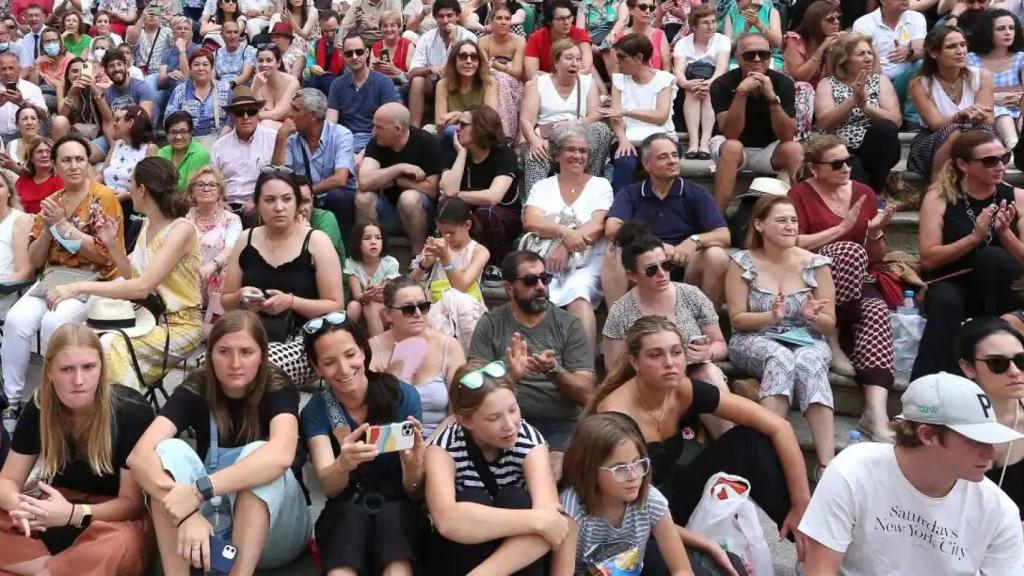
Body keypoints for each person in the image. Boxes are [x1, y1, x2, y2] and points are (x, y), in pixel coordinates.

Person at [589, 315, 811, 557]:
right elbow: (626, 511)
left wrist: (801, 504)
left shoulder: (681, 389)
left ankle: (809, 544)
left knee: (748, 442)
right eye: (656, 355)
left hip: (675, 493)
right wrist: (706, 545)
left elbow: (779, 427)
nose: (670, 363)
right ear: (634, 361)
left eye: (676, 352)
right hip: (638, 520)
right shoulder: (614, 414)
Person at [126, 310, 312, 575]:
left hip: (278, 532)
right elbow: (139, 456)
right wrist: (187, 513)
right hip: (212, 526)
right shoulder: (198, 387)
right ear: (210, 355)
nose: (235, 363)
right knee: (167, 452)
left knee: (260, 454)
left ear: (262, 356)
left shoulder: (277, 387)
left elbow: (281, 455)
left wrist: (197, 492)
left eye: (246, 352)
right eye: (224, 351)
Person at [799, 372, 1024, 575]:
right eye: (976, 440)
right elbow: (820, 570)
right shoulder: (853, 470)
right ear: (927, 435)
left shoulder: (999, 510)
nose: (992, 453)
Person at [0, 325, 155, 575]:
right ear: (49, 371)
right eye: (67, 369)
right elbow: (7, 479)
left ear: (101, 369)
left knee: (121, 545)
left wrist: (73, 514)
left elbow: (132, 504)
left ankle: (40, 568)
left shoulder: (130, 412)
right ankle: (58, 569)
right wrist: (20, 506)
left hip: (110, 518)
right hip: (53, 506)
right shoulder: (40, 407)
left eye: (89, 367)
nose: (79, 380)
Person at [46, 157, 203, 391]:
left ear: (142, 189)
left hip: (180, 325)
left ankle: (123, 414)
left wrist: (77, 287)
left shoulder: (181, 229)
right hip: (147, 318)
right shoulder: (147, 225)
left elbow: (141, 288)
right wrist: (111, 244)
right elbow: (133, 277)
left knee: (111, 346)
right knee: (87, 343)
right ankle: (100, 406)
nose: (127, 188)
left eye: (131, 182)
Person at [1, 134, 123, 433]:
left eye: (79, 159)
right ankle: (13, 401)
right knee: (16, 320)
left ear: (88, 163)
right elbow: (35, 258)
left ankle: (52, 399)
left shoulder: (103, 197)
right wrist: (48, 229)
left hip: (93, 279)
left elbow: (105, 256)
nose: (73, 165)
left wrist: (64, 228)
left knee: (53, 323)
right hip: (54, 275)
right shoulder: (51, 202)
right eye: (66, 160)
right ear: (55, 166)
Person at [298, 311, 425, 575]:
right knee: (348, 520)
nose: (344, 369)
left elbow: (413, 490)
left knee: (394, 523)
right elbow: (331, 488)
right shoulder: (317, 410)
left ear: (364, 352)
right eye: (329, 362)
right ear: (316, 367)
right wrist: (343, 464)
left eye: (350, 354)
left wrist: (413, 466)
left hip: (398, 506)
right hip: (346, 508)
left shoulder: (402, 395)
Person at [789, 135, 897, 441]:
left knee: (876, 311)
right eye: (836, 164)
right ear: (814, 168)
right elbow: (791, 244)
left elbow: (876, 257)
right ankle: (832, 339)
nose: (845, 168)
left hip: (856, 282)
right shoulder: (799, 194)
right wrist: (840, 229)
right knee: (847, 251)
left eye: (848, 161)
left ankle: (875, 413)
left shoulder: (862, 192)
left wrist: (874, 233)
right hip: (812, 282)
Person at [725, 195, 838, 475]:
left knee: (808, 362)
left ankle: (827, 465)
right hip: (754, 337)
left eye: (793, 220)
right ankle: (765, 456)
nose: (790, 226)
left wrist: (814, 317)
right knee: (780, 358)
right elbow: (737, 319)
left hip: (805, 337)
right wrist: (770, 316)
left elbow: (829, 324)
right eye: (781, 220)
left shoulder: (816, 264)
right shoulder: (742, 263)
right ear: (760, 225)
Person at [424, 358, 569, 576]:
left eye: (512, 410)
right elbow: (447, 520)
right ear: (465, 421)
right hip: (461, 554)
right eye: (494, 418)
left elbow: (553, 528)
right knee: (472, 498)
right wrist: (536, 520)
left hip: (511, 561)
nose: (509, 426)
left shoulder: (528, 440)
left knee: (515, 498)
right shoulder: (444, 447)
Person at [914, 131, 1024, 379]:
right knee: (944, 301)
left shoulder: (1018, 197)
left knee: (993, 257)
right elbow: (929, 258)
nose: (1000, 166)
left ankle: (992, 354)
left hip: (1003, 286)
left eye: (1004, 158)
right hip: (953, 281)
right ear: (963, 165)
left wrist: (1006, 234)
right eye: (989, 161)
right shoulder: (939, 197)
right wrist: (974, 238)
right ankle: (923, 395)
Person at [220, 172, 344, 386]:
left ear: (297, 203)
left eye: (286, 199)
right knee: (212, 363)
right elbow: (226, 301)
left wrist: (290, 302)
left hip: (305, 337)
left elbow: (335, 305)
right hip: (252, 331)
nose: (279, 207)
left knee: (257, 367)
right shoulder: (245, 239)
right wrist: (241, 296)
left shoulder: (316, 241)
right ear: (257, 204)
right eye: (270, 200)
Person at [602, 233, 731, 433]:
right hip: (647, 384)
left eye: (667, 265)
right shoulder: (621, 311)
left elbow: (720, 344)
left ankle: (729, 442)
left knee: (708, 372)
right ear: (632, 276)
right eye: (652, 270)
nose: (662, 274)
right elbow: (613, 371)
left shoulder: (691, 295)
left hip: (694, 377)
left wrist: (708, 353)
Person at [469, 250, 596, 454]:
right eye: (530, 281)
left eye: (545, 279)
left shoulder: (569, 325)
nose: (540, 287)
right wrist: (509, 375)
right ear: (510, 289)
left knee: (555, 466)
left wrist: (554, 370)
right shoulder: (490, 324)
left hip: (560, 425)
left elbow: (587, 394)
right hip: (505, 421)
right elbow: (471, 386)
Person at [552, 412, 698, 576]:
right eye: (620, 469)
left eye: (638, 463)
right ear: (590, 470)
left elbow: (682, 569)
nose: (634, 476)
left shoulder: (651, 500)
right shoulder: (573, 507)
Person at [603, 134, 731, 309]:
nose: (672, 161)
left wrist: (693, 241)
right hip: (644, 265)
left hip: (685, 264)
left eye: (675, 155)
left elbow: (723, 235)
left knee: (716, 255)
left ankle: (707, 327)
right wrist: (656, 246)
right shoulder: (630, 193)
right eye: (663, 157)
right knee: (614, 251)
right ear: (647, 164)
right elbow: (612, 229)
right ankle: (617, 326)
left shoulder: (696, 193)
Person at [522, 123, 611, 348]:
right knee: (535, 292)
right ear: (557, 154)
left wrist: (565, 246)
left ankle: (585, 371)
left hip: (588, 260)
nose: (578, 156)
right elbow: (531, 221)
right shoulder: (543, 186)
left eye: (583, 151)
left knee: (579, 296)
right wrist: (565, 233)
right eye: (571, 150)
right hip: (544, 258)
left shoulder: (600, 185)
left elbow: (598, 225)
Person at [710, 33, 802, 212]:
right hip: (731, 148)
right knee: (732, 146)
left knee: (795, 149)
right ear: (738, 57)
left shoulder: (783, 83)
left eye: (764, 54)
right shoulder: (721, 84)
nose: (757, 59)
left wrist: (771, 97)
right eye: (750, 55)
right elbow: (731, 133)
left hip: (769, 149)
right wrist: (741, 93)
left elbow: (787, 136)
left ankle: (803, 213)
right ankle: (717, 217)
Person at [369, 276, 466, 436]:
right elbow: (370, 411)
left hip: (441, 440)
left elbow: (458, 411)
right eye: (408, 309)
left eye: (424, 306)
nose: (418, 313)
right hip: (389, 442)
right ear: (388, 314)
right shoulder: (372, 349)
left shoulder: (449, 347)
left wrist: (429, 446)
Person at [519, 40, 613, 198]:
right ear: (556, 61)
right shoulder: (539, 83)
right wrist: (534, 141)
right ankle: (533, 206)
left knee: (602, 130)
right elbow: (526, 120)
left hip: (578, 136)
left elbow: (595, 114)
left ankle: (588, 185)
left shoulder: (587, 82)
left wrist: (572, 125)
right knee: (535, 152)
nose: (574, 63)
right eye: (569, 58)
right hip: (548, 139)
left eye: (578, 59)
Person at [815, 33, 903, 195]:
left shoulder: (880, 81)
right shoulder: (827, 84)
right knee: (851, 165)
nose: (868, 58)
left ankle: (877, 190)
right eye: (861, 54)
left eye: (870, 53)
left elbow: (895, 121)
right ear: (844, 60)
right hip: (842, 148)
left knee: (885, 128)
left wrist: (865, 106)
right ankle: (870, 199)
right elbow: (825, 123)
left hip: (874, 148)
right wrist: (853, 100)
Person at [957, 317, 1024, 517]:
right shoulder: (952, 423)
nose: (1014, 372)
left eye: (1021, 361)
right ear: (968, 368)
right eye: (997, 363)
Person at [440, 104, 521, 269]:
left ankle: (496, 265)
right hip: (470, 218)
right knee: (447, 206)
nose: (457, 129)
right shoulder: (455, 155)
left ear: (481, 127)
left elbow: (493, 197)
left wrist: (457, 195)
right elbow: (447, 190)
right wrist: (462, 154)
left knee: (486, 211)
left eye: (463, 125)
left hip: (503, 218)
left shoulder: (504, 156)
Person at [908, 26, 995, 179]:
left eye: (962, 44)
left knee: (981, 133)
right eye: (951, 46)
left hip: (976, 133)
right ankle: (938, 190)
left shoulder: (982, 76)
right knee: (955, 133)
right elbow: (935, 124)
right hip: (932, 139)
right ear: (934, 52)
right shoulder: (920, 83)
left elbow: (989, 120)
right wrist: (959, 116)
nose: (960, 51)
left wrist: (979, 116)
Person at [357, 101, 442, 254]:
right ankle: (376, 254)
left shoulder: (426, 142)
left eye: (379, 127)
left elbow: (432, 190)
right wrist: (399, 168)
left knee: (408, 198)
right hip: (387, 210)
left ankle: (419, 254)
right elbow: (364, 182)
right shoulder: (376, 143)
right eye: (373, 125)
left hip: (420, 213)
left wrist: (400, 181)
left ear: (397, 129)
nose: (373, 132)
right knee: (363, 197)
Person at [271, 88, 355, 232]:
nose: (289, 114)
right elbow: (278, 177)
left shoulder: (341, 135)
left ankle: (343, 252)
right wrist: (281, 138)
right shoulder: (291, 140)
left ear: (313, 116)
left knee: (339, 196)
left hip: (330, 197)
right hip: (302, 200)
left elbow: (340, 178)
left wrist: (307, 192)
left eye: (295, 109)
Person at [410, 198, 490, 343]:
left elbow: (461, 286)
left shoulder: (479, 251)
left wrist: (446, 259)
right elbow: (410, 283)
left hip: (468, 312)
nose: (446, 237)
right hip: (435, 309)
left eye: (451, 233)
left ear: (467, 225)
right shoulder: (436, 245)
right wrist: (424, 265)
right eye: (441, 232)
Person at [606, 33, 675, 194]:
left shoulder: (664, 79)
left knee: (659, 161)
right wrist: (622, 140)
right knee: (625, 161)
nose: (618, 62)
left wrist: (627, 111)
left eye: (622, 57)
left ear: (638, 57)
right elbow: (615, 118)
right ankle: (619, 213)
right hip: (628, 138)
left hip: (660, 138)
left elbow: (660, 116)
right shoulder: (619, 80)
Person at [852, 0, 927, 130]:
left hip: (905, 80)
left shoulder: (916, 17)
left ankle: (912, 120)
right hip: (876, 81)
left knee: (921, 64)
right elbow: (869, 62)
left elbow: (920, 51)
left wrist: (909, 53)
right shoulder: (863, 23)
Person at [407, 0, 478, 128]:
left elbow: (473, 67)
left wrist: (455, 41)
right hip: (433, 83)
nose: (445, 21)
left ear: (457, 16)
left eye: (449, 15)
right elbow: (411, 73)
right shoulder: (426, 38)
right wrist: (430, 69)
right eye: (441, 16)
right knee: (417, 80)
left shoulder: (469, 37)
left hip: (460, 81)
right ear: (435, 18)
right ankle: (414, 129)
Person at [326, 33, 399, 153]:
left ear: (367, 53)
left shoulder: (384, 82)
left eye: (359, 52)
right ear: (343, 56)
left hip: (375, 142)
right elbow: (330, 123)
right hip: (345, 140)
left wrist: (364, 152)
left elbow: (388, 124)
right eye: (349, 53)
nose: (354, 57)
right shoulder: (337, 85)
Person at [672, 5, 729, 160]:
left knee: (708, 91)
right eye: (706, 23)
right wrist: (685, 84)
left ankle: (704, 141)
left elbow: (721, 68)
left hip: (715, 80)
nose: (711, 26)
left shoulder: (722, 40)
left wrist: (710, 83)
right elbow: (678, 69)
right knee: (692, 91)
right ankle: (693, 142)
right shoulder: (682, 43)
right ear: (694, 27)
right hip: (690, 82)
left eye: (713, 22)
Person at [209, 86, 277, 213]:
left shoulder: (273, 140)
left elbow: (279, 178)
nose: (246, 117)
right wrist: (220, 202)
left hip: (261, 205)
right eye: (239, 112)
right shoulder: (219, 146)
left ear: (258, 114)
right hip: (226, 208)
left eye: (251, 111)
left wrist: (257, 200)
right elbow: (213, 182)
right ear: (231, 116)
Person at [184, 166, 241, 308]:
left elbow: (232, 248)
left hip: (218, 280)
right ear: (192, 191)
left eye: (212, 185)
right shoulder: (184, 218)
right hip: (188, 279)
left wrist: (212, 265)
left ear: (220, 193)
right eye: (200, 185)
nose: (206, 188)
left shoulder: (232, 219)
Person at [968, 9, 1024, 151]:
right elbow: (968, 93)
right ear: (987, 32)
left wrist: (1019, 98)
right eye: (1001, 28)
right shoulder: (970, 59)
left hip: (1018, 107)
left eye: (1011, 28)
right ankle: (1013, 146)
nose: (1008, 32)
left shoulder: (1021, 58)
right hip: (989, 111)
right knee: (1001, 111)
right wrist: (994, 97)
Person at [433, 39, 498, 156]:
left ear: (479, 62)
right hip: (451, 134)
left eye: (474, 57)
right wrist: (469, 118)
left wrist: (457, 115)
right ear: (454, 61)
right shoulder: (443, 84)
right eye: (463, 56)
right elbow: (440, 123)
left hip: (481, 133)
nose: (469, 61)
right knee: (443, 132)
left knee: (451, 131)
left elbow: (489, 120)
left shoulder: (488, 83)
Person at [99, 105, 157, 221]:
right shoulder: (116, 144)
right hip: (106, 199)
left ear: (130, 123)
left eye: (118, 120)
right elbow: (101, 175)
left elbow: (151, 186)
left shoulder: (149, 149)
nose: (114, 124)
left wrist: (126, 196)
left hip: (131, 205)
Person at [344, 219, 399, 335]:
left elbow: (385, 295)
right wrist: (365, 296)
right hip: (360, 302)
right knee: (353, 306)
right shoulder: (351, 262)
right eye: (367, 238)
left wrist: (374, 294)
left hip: (383, 303)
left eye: (378, 238)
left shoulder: (391, 263)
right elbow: (357, 295)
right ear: (357, 242)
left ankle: (377, 348)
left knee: (371, 307)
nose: (373, 242)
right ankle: (350, 340)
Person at [164, 50, 232, 142]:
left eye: (205, 64)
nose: (201, 68)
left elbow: (233, 115)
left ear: (212, 68)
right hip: (187, 141)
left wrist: (223, 135)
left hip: (219, 140)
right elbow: (169, 118)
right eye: (196, 65)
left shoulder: (224, 88)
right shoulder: (180, 90)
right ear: (190, 68)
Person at [524, 0, 593, 80]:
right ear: (549, 21)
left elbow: (586, 69)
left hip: (576, 82)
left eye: (569, 17)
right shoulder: (536, 38)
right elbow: (531, 73)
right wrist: (560, 77)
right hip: (547, 85)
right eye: (561, 19)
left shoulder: (579, 34)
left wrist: (557, 75)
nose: (567, 22)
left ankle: (603, 91)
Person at [783, 0, 841, 88]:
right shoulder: (795, 40)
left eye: (838, 18)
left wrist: (832, 51)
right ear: (816, 22)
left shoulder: (839, 40)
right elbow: (800, 77)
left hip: (824, 91)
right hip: (799, 90)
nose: (837, 22)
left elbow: (836, 78)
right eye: (830, 19)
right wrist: (822, 48)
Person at [57, 57, 112, 145]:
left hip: (94, 135)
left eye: (82, 72)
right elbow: (62, 116)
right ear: (67, 75)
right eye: (74, 71)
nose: (79, 75)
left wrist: (93, 86)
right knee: (59, 121)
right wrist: (71, 94)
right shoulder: (63, 88)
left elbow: (108, 117)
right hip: (71, 135)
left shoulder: (95, 88)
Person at [608, 0, 671, 76]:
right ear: (631, 10)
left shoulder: (660, 34)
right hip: (628, 86)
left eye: (651, 8)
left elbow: (667, 69)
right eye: (643, 7)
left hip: (658, 84)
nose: (648, 11)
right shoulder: (619, 38)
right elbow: (616, 74)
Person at [0, 175, 32, 316]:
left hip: (5, 293)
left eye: (0, 186)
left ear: (9, 192)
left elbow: (25, 272)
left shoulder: (20, 220)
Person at [0, 52, 49, 142]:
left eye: (11, 68)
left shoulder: (32, 88)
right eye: (3, 69)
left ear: (19, 69)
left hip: (25, 136)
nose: (7, 73)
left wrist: (22, 103)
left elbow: (45, 115)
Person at [158, 112, 211, 191]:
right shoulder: (162, 152)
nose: (178, 137)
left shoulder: (200, 154)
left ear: (190, 133)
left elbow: (191, 190)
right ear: (166, 134)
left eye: (183, 132)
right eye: (173, 132)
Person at [724, 0, 783, 70]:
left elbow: (777, 43)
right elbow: (728, 49)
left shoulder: (771, 12)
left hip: (767, 57)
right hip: (741, 60)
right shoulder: (730, 17)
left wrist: (758, 24)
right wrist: (745, 30)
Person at [252, 45, 300, 126]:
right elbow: (255, 108)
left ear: (278, 63)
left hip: (289, 127)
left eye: (269, 61)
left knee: (264, 123)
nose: (264, 64)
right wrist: (256, 88)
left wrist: (252, 116)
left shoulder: (292, 82)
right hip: (263, 124)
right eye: (260, 61)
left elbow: (278, 114)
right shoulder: (257, 80)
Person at [102, 48, 156, 120]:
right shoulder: (108, 93)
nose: (116, 69)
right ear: (106, 71)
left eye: (119, 64)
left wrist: (123, 115)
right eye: (111, 66)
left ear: (126, 66)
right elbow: (108, 123)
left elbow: (145, 119)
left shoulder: (141, 87)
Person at [30, 27, 74, 112]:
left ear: (60, 42)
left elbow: (65, 86)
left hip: (64, 97)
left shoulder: (70, 59)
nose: (51, 44)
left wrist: (45, 76)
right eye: (47, 41)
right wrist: (36, 66)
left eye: (54, 40)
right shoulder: (41, 60)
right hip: (44, 96)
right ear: (42, 44)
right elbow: (33, 86)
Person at [14, 136, 62, 215]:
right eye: (39, 152)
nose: (45, 155)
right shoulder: (24, 178)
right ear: (31, 158)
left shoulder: (61, 178)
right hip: (24, 221)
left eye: (48, 151)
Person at [303, 10, 345, 95]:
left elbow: (353, 73)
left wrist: (343, 54)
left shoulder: (349, 43)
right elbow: (305, 74)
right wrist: (312, 69)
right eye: (326, 31)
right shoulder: (316, 44)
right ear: (321, 28)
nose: (329, 34)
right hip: (320, 82)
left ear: (340, 25)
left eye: (333, 30)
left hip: (340, 83)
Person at [369, 10, 414, 83]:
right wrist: (374, 69)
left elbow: (411, 77)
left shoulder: (408, 45)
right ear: (380, 29)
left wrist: (393, 70)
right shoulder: (376, 47)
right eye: (385, 26)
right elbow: (370, 75)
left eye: (393, 25)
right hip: (380, 86)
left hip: (401, 88)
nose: (389, 29)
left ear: (399, 27)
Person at [214, 20, 255, 87]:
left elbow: (245, 75)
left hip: (241, 90)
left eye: (235, 32)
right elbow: (211, 78)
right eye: (228, 32)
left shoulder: (248, 50)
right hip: (220, 90)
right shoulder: (215, 54)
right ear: (221, 34)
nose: (233, 36)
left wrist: (229, 86)